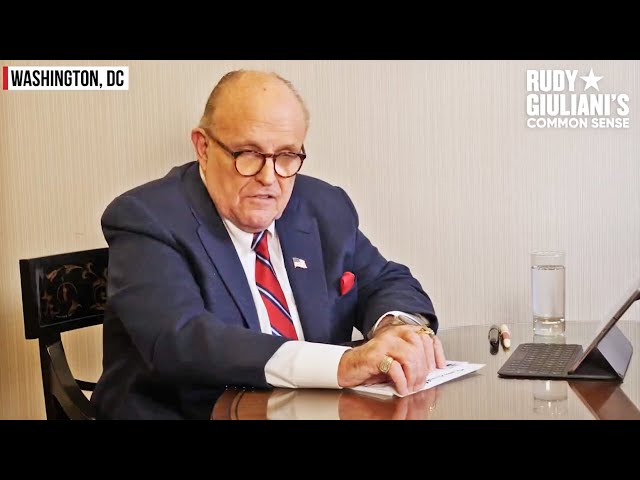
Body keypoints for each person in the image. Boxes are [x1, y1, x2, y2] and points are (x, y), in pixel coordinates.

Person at [91, 70, 446, 419]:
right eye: (248, 153)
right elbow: (181, 339)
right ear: (203, 147)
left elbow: (385, 280)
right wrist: (343, 364)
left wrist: (397, 330)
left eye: (287, 155)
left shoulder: (322, 206)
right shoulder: (147, 218)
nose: (268, 177)